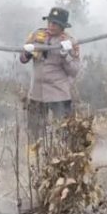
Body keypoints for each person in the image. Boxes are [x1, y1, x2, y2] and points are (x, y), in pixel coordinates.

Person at [20, 7, 80, 144]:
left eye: (55, 24)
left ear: (62, 26)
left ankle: (61, 157)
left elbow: (74, 70)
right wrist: (27, 53)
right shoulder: (37, 35)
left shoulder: (70, 42)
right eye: (50, 22)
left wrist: (66, 55)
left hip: (58, 94)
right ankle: (35, 160)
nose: (51, 26)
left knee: (64, 131)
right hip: (36, 93)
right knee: (34, 132)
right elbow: (22, 59)